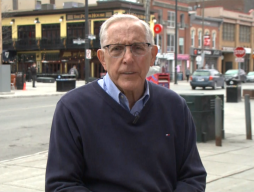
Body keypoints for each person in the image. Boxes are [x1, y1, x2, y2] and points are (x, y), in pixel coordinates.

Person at [45, 14, 206, 192]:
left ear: (153, 55)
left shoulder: (175, 107)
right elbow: (61, 185)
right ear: (102, 59)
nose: (128, 58)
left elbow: (192, 177)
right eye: (116, 49)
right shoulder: (72, 109)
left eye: (138, 48)